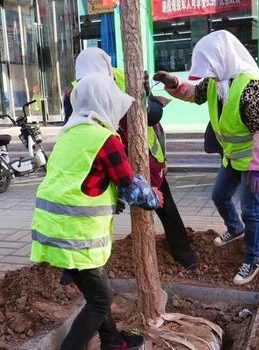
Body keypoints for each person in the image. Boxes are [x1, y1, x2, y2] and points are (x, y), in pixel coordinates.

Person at [31, 73, 163, 350]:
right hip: (76, 236)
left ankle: (111, 340)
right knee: (101, 300)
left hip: (52, 230)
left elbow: (86, 179)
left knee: (97, 292)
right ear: (106, 103)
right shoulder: (104, 139)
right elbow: (130, 188)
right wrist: (153, 197)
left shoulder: (69, 133)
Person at [154, 30, 259, 285]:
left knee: (251, 210)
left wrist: (258, 168)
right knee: (219, 196)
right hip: (233, 156)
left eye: (210, 66)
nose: (207, 73)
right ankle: (235, 229)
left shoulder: (252, 86)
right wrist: (173, 83)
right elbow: (194, 94)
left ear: (222, 59)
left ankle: (253, 258)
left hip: (255, 159)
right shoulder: (216, 82)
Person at [63, 47, 197, 270]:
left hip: (142, 155)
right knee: (93, 212)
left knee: (166, 206)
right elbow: (73, 126)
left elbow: (154, 115)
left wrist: (145, 101)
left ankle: (183, 252)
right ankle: (77, 266)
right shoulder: (74, 92)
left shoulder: (125, 78)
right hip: (104, 157)